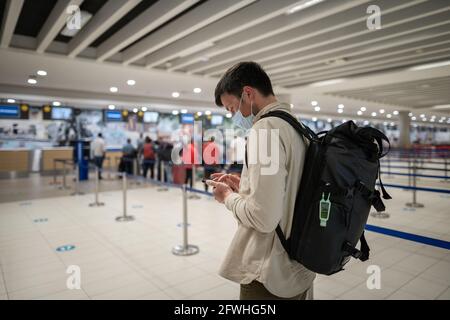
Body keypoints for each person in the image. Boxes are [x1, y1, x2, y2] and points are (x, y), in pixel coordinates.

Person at [206, 62, 315, 300]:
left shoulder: (265, 130)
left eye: (232, 108)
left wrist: (228, 197)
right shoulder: (295, 126)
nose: (232, 116)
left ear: (248, 93)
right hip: (298, 264)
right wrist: (244, 185)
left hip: (269, 274)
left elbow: (263, 218)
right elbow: (289, 188)